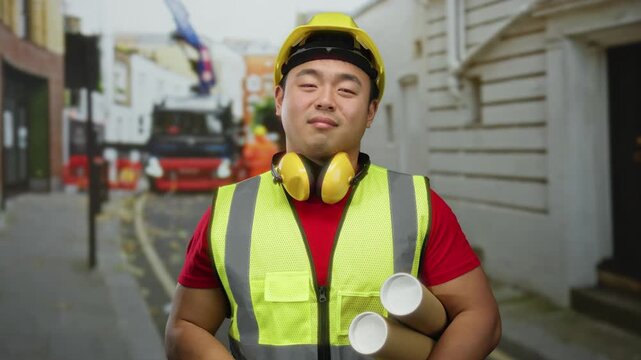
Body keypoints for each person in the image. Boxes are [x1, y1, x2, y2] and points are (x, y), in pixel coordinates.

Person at [165, 12, 501, 360]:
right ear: (279, 99)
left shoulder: (415, 205)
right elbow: (185, 326)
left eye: (346, 89)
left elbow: (479, 316)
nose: (325, 99)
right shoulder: (229, 212)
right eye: (308, 85)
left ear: (371, 112)